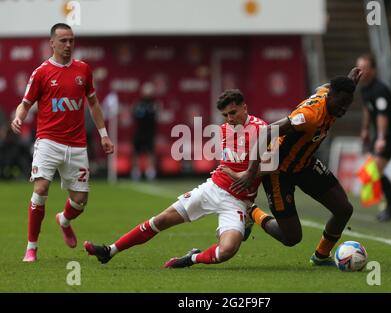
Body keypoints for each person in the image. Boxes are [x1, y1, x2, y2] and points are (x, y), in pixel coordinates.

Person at [83, 89, 266, 268]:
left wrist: (245, 176)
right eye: (225, 115)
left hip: (237, 201)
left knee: (227, 250)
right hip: (213, 189)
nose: (230, 119)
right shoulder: (224, 129)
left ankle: (192, 258)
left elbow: (271, 166)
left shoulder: (261, 129)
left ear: (245, 108)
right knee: (160, 220)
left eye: (233, 113)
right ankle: (110, 251)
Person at [222, 68, 362, 266]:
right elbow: (266, 133)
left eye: (348, 104)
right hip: (279, 172)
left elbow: (323, 87)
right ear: (331, 96)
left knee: (344, 209)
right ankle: (252, 211)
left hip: (305, 164)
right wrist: (252, 171)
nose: (343, 109)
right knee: (291, 238)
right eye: (341, 103)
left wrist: (348, 82)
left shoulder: (327, 93)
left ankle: (321, 256)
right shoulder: (309, 116)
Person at [10, 23, 114, 262]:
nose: (68, 45)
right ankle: (32, 247)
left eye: (71, 40)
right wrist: (18, 117)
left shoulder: (83, 70)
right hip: (48, 141)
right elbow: (25, 104)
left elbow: (94, 104)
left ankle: (64, 220)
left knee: (80, 202)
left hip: (77, 145)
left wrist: (104, 134)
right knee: (41, 189)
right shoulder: (42, 72)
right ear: (52, 43)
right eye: (63, 41)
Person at [356, 54, 391, 222]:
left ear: (373, 70)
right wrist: (365, 129)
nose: (360, 72)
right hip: (380, 134)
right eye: (358, 68)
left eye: (364, 68)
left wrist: (381, 138)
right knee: (372, 170)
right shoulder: (365, 88)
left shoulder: (379, 90)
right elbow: (367, 109)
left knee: (374, 169)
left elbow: (383, 115)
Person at [131, 82, 158, 181]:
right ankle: (136, 172)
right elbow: (137, 114)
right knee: (136, 152)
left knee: (150, 152)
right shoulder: (139, 104)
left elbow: (154, 116)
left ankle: (150, 172)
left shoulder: (154, 104)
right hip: (139, 131)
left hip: (150, 132)